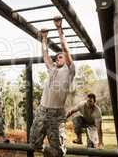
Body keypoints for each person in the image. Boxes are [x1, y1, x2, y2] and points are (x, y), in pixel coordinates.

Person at [29, 16, 76, 157]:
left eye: (60, 57)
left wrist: (59, 29)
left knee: (59, 150)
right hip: (42, 111)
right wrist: (44, 38)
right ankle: (46, 151)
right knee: (34, 144)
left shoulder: (69, 70)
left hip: (56, 114)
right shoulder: (52, 69)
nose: (57, 58)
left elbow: (66, 50)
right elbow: (45, 55)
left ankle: (52, 152)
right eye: (57, 57)